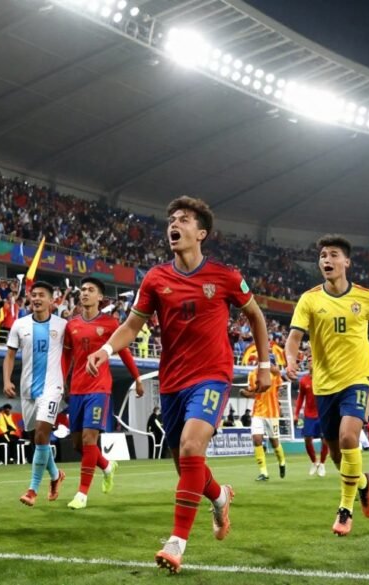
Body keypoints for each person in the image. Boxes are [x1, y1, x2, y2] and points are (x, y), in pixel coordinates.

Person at [86, 196, 271, 574]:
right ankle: (220, 496)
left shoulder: (226, 276)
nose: (174, 224)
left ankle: (176, 542)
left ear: (201, 233)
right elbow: (132, 326)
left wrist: (265, 365)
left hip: (212, 376)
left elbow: (256, 317)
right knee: (185, 463)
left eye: (184, 220)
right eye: (171, 219)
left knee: (190, 446)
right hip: (171, 382)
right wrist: (106, 350)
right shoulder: (156, 278)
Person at [284, 234, 369, 537]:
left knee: (350, 438)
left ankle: (345, 510)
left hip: (358, 378)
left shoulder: (366, 297)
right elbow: (294, 337)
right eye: (323, 255)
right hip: (324, 383)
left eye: (333, 255)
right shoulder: (309, 299)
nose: (327, 260)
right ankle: (363, 484)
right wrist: (290, 360)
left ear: (346, 262)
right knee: (336, 455)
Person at [63, 277, 143, 510]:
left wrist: (137, 378)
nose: (85, 293)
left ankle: (82, 494)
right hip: (76, 388)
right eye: (83, 290)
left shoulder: (110, 323)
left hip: (99, 388)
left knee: (90, 439)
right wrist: (63, 381)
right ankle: (107, 466)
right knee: (78, 444)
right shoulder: (72, 325)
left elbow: (124, 352)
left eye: (90, 290)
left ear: (100, 297)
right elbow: (67, 356)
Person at [3, 281, 67, 507]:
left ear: (52, 300)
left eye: (42, 295)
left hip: (52, 387)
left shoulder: (62, 326)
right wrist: (7, 380)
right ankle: (55, 475)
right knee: (36, 438)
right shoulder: (20, 325)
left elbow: (71, 355)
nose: (37, 298)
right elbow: (10, 355)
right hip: (27, 389)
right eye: (34, 295)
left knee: (41, 433)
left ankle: (32, 489)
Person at [242, 359, 286, 481]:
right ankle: (263, 472)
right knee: (257, 439)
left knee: (274, 442)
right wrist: (246, 394)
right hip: (257, 412)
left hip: (272, 413)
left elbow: (279, 389)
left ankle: (282, 461)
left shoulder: (274, 373)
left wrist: (275, 372)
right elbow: (253, 393)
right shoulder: (252, 374)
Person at [294, 364, 329, 477]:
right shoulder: (304, 380)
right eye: (308, 361)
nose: (310, 363)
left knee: (325, 440)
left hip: (323, 414)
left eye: (312, 360)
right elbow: (300, 399)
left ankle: (322, 463)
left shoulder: (324, 377)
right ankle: (314, 462)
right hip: (309, 415)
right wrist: (296, 414)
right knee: (307, 439)